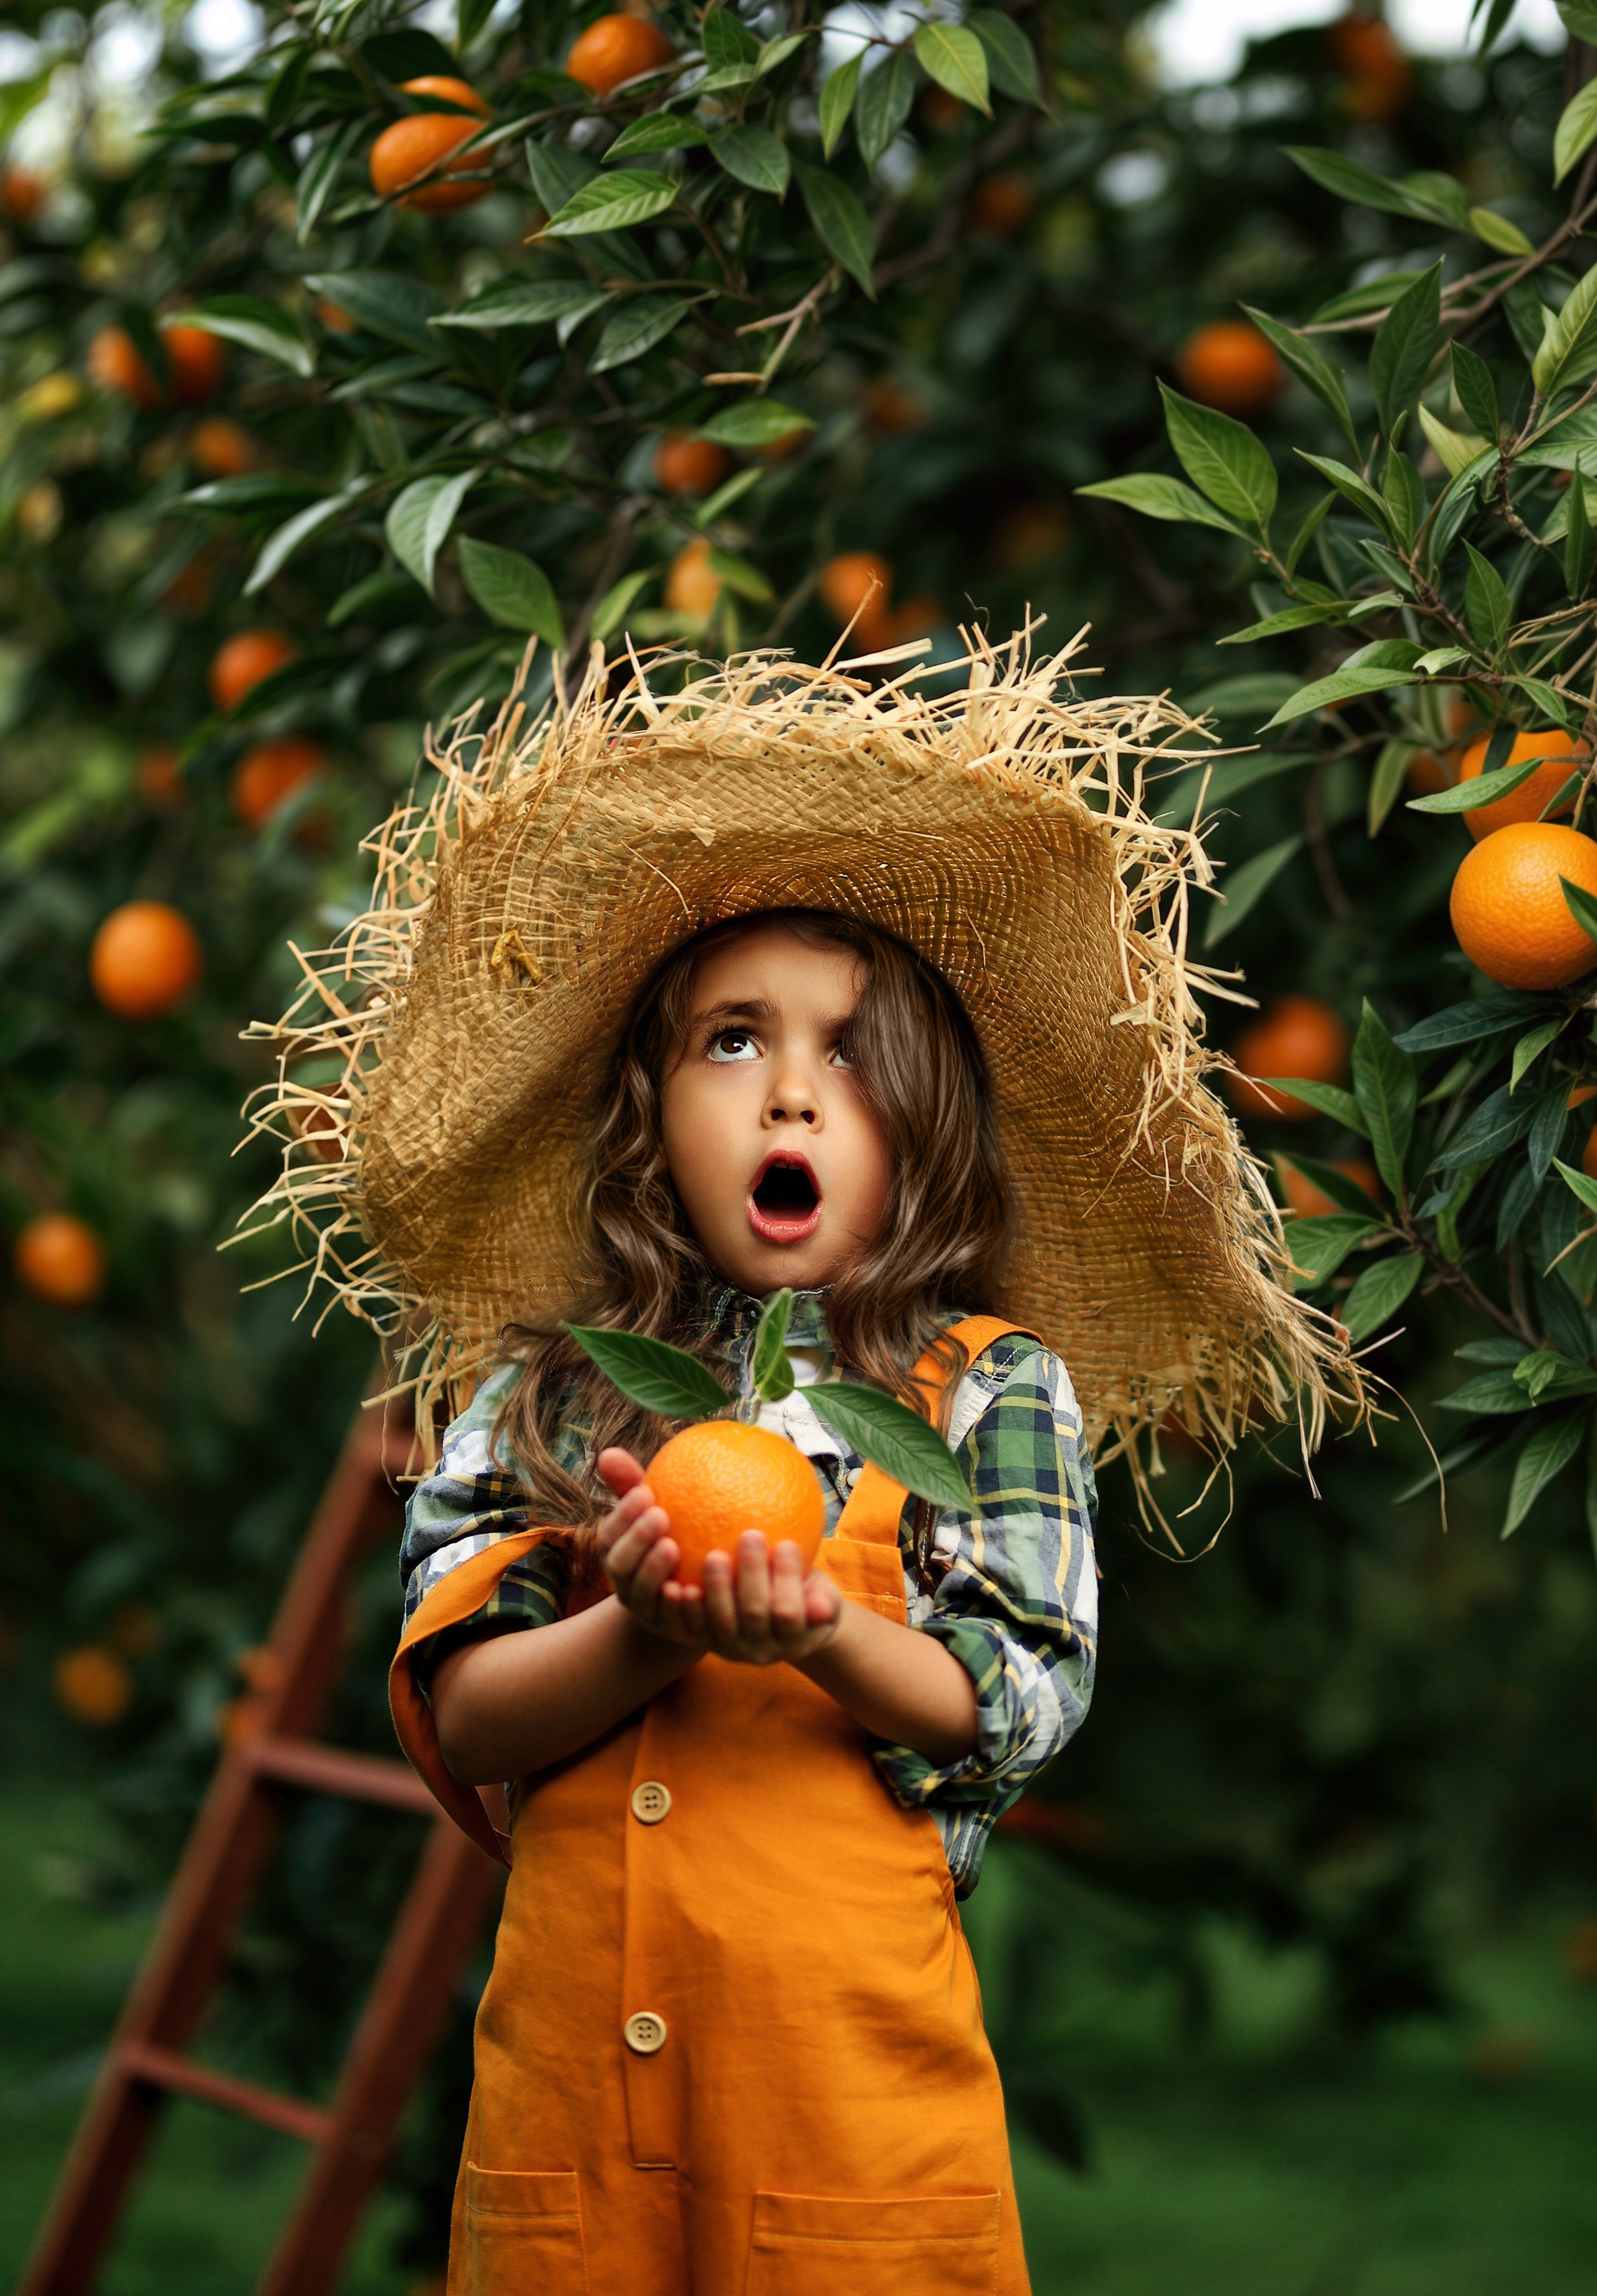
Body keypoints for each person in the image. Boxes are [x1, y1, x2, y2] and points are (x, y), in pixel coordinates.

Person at [253, 635, 1356, 2295]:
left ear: (928, 1122)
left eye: (851, 1050)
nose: (789, 1090)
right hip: (572, 2154)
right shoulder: (550, 1396)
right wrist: (646, 1631)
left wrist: (823, 1631)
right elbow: (462, 1708)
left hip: (848, 2151)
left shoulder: (990, 1393)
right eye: (729, 1042)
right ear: (648, 1117)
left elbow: (1019, 1697)